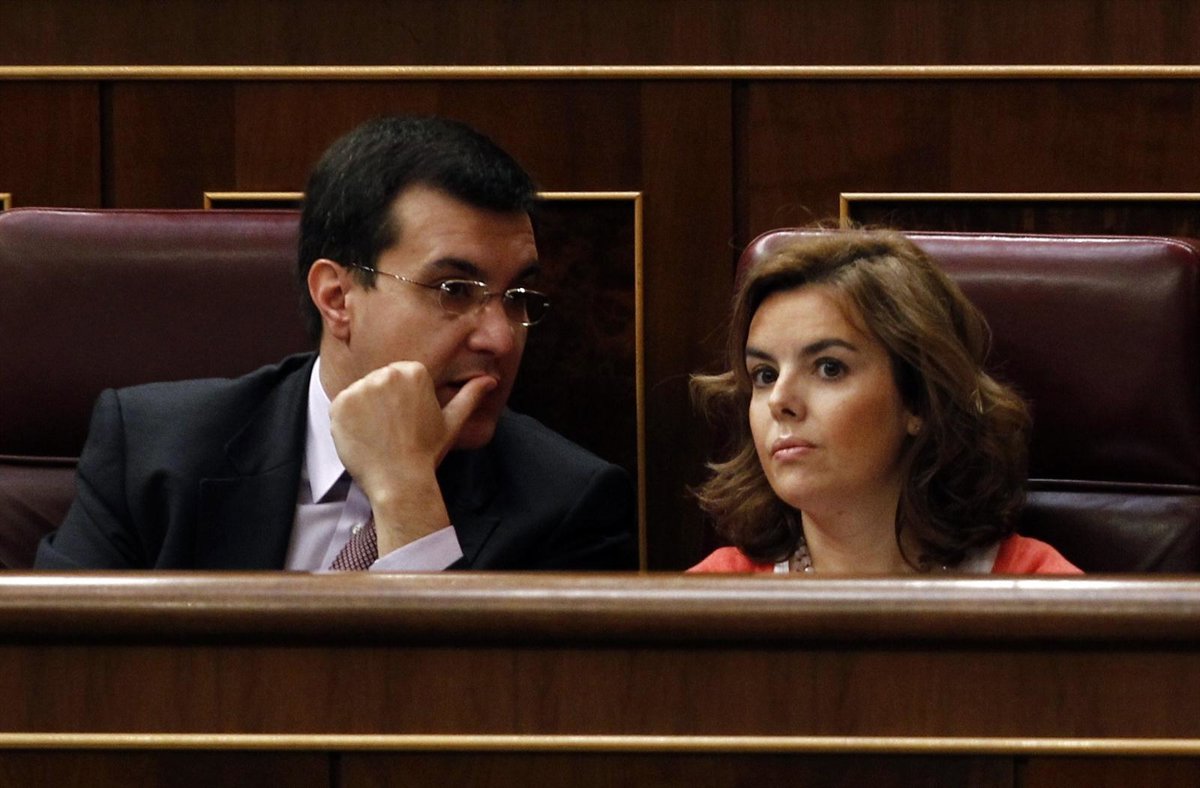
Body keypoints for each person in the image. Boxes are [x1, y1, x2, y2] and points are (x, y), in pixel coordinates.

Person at [36, 115, 636, 571]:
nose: (501, 338)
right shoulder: (152, 451)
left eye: (516, 297)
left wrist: (406, 498)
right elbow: (52, 675)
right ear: (337, 298)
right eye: (454, 289)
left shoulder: (569, 505)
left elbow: (462, 700)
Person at [689, 230, 1080, 575]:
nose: (779, 400)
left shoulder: (1039, 592)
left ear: (919, 399)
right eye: (764, 375)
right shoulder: (712, 598)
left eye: (829, 368)